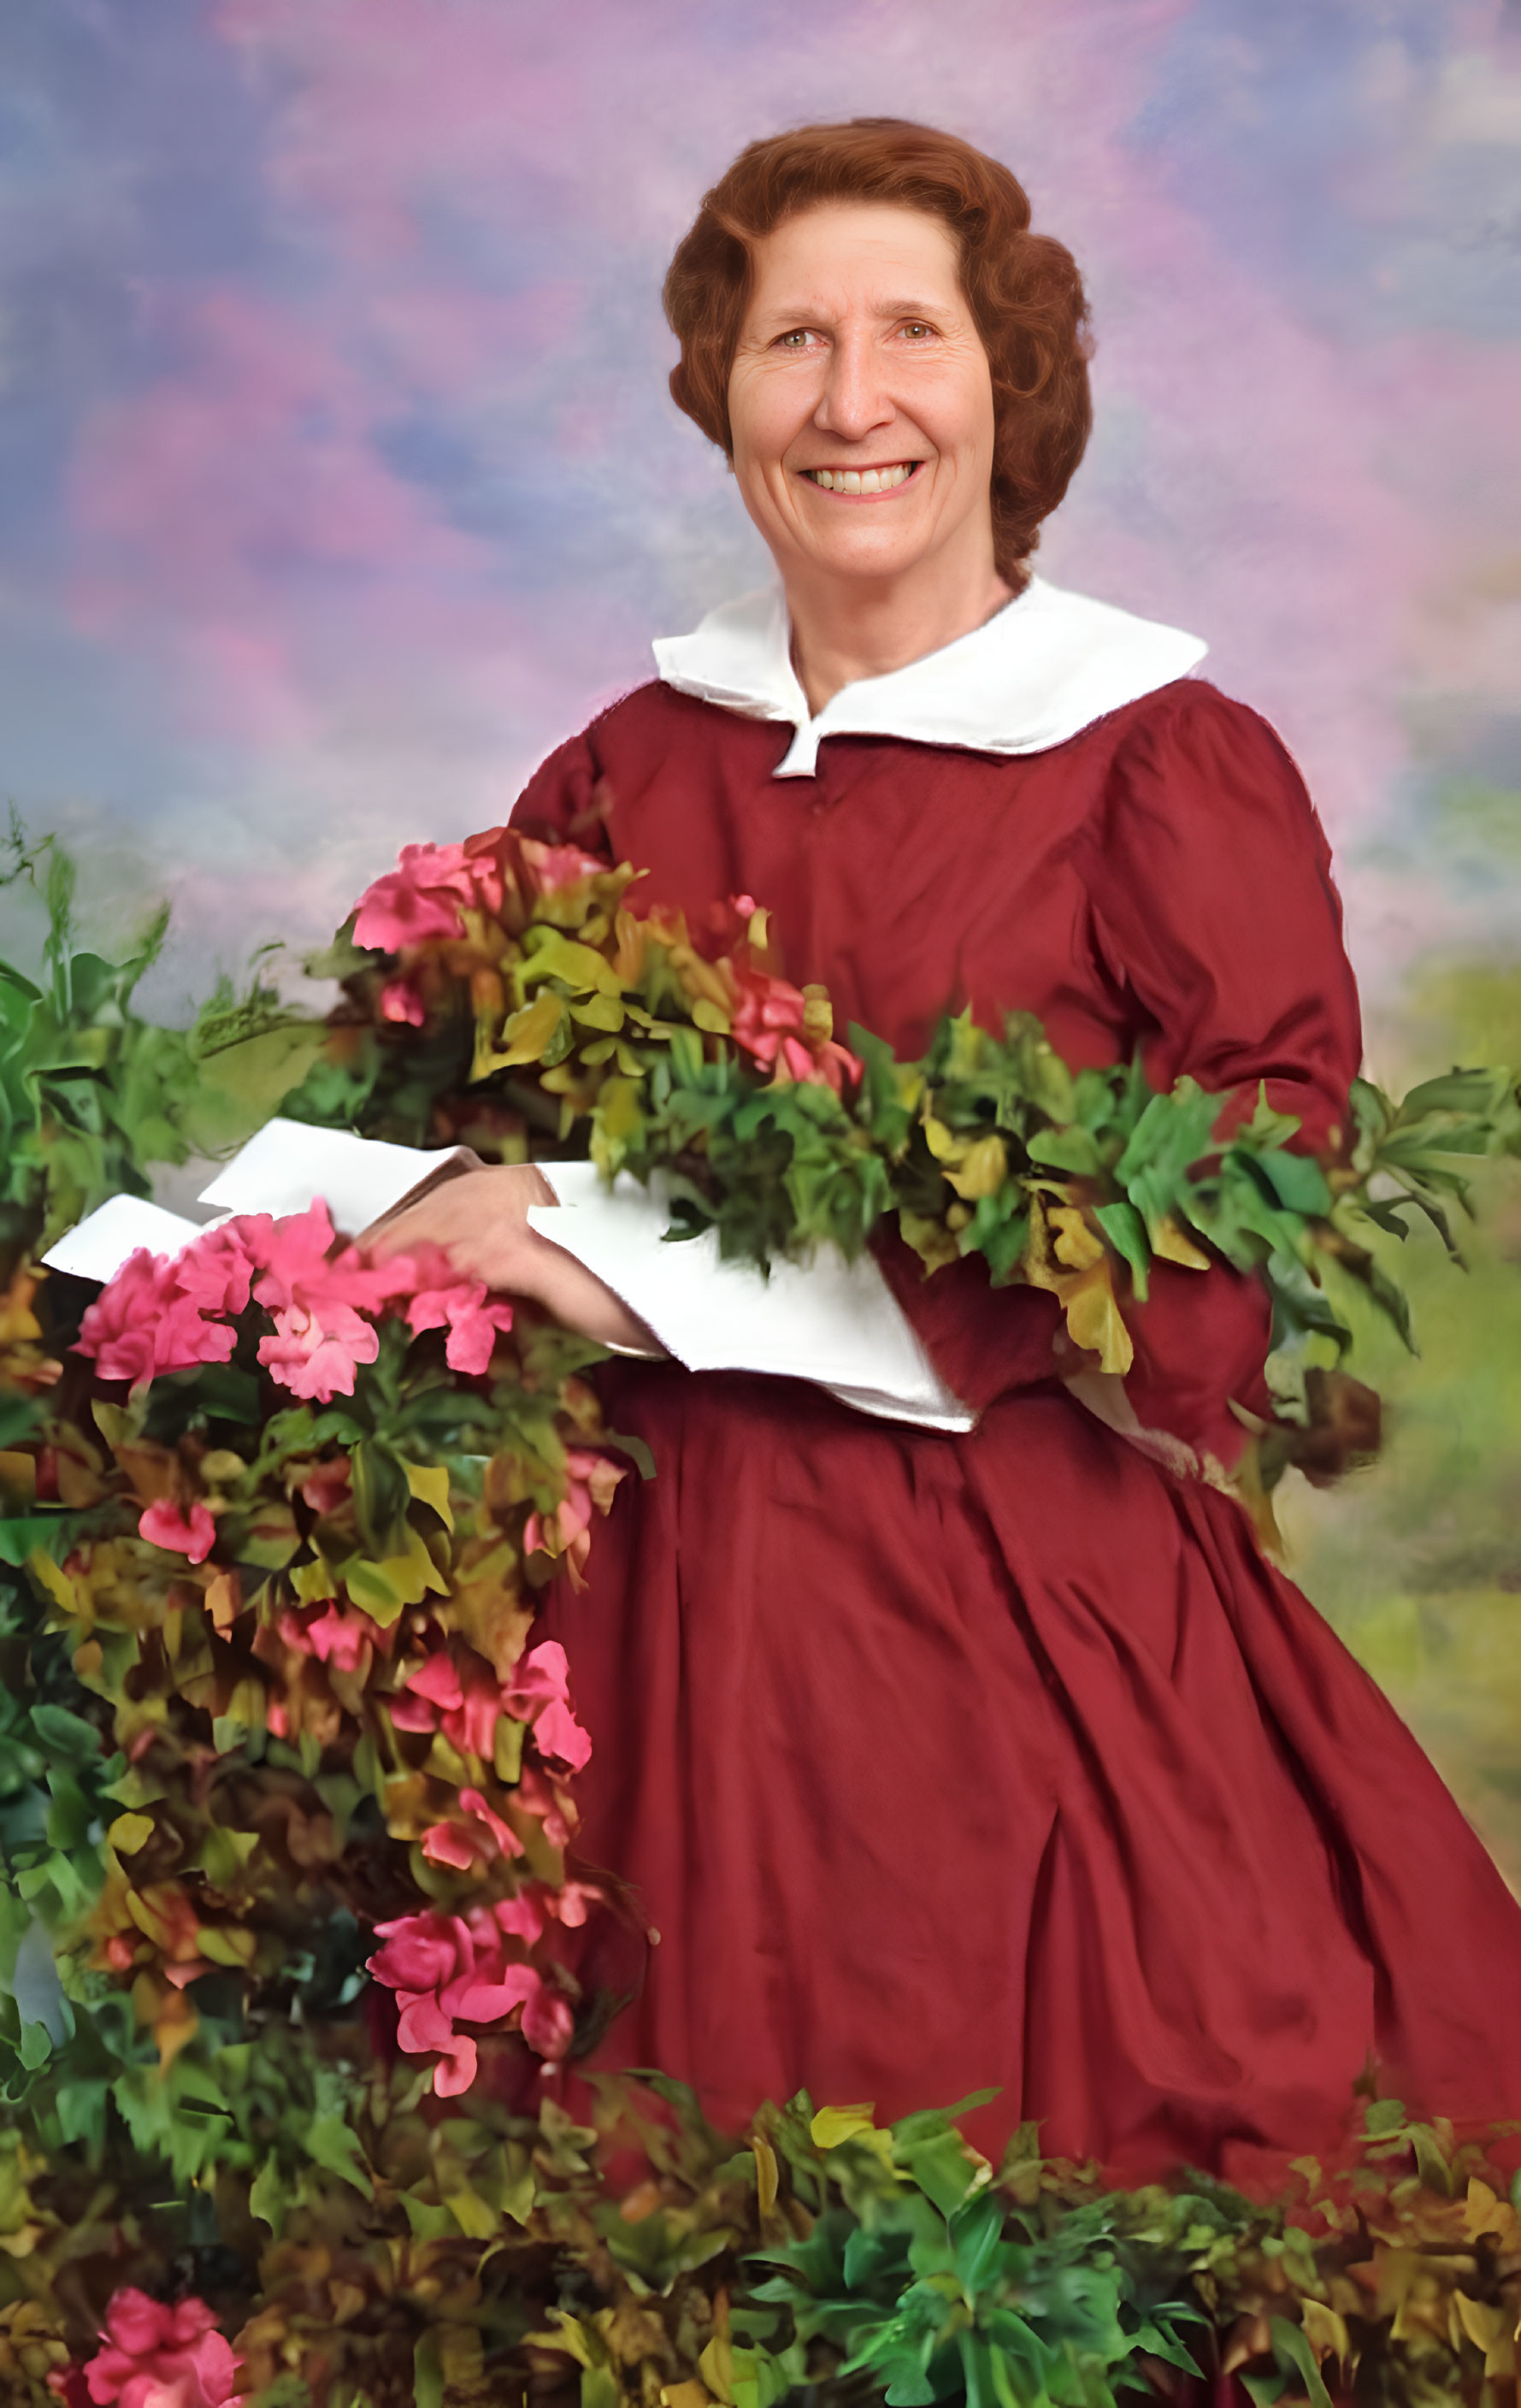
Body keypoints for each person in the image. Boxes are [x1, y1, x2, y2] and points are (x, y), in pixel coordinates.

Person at [372, 119, 1521, 2185]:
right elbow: (466, 1155)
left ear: (1009, 383)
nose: (847, 398)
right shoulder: (628, 762)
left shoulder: (1161, 762)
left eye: (909, 331)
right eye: (787, 340)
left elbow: (1201, 1260)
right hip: (634, 1638)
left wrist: (621, 1255)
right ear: (721, 397)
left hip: (996, 1653)